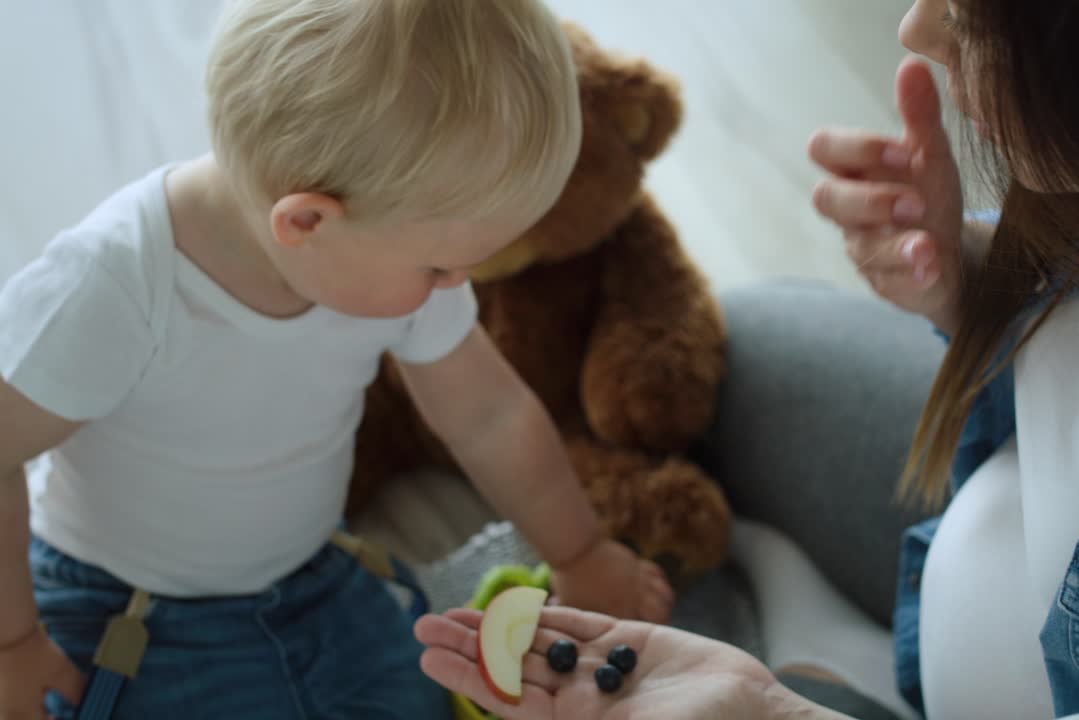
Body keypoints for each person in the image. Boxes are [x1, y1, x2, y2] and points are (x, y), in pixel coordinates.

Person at [415, 0, 1079, 718]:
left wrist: (774, 712)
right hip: (982, 556)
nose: (917, 29)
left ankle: (814, 673)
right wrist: (965, 283)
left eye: (979, 21)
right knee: (749, 333)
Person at [0, 1, 675, 717]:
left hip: (313, 576)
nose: (457, 286)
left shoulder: (378, 244)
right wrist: (13, 646)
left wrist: (579, 554)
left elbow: (490, 415)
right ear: (307, 223)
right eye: (442, 266)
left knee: (431, 697)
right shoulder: (112, 285)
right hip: (126, 603)